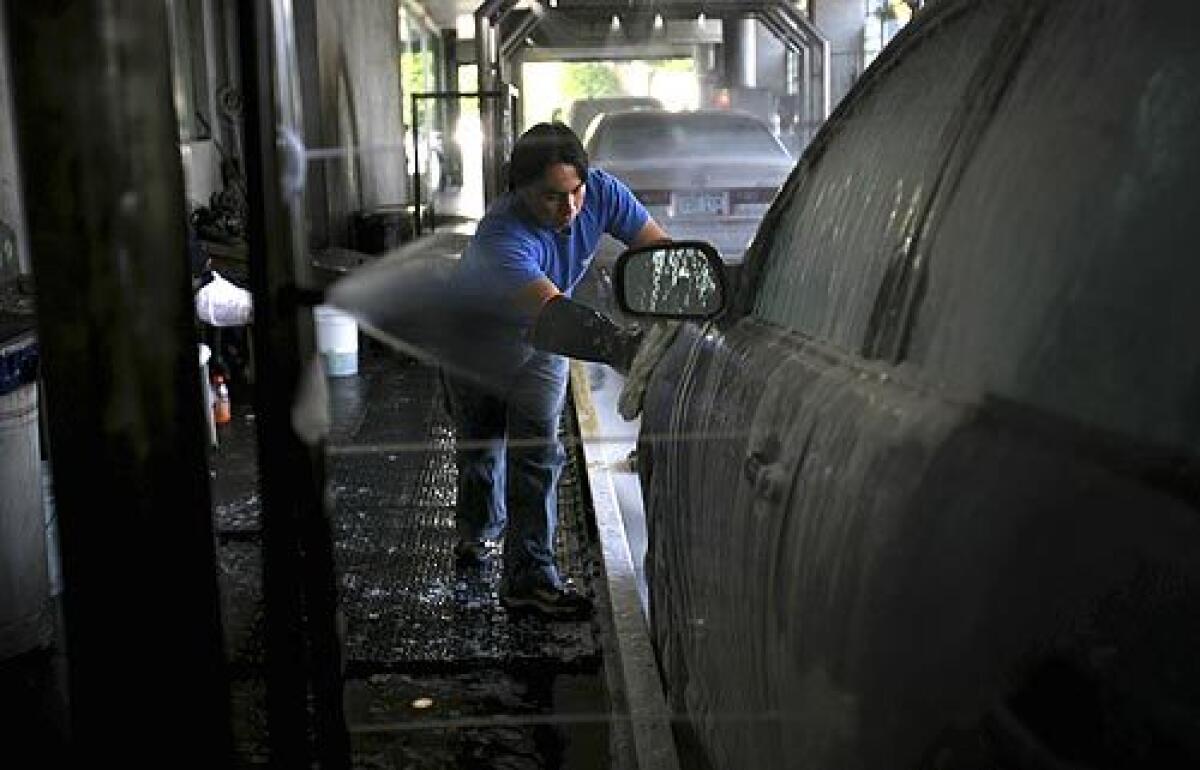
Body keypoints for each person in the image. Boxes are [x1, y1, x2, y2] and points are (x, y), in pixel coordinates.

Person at [446, 122, 669, 618]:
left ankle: (529, 578)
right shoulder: (501, 237)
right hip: (477, 343)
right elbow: (554, 314)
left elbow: (658, 251)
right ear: (519, 190)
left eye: (575, 192)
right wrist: (626, 349)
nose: (569, 208)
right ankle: (476, 535)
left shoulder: (602, 194)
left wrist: (679, 302)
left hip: (542, 343)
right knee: (481, 449)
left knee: (537, 455)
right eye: (551, 197)